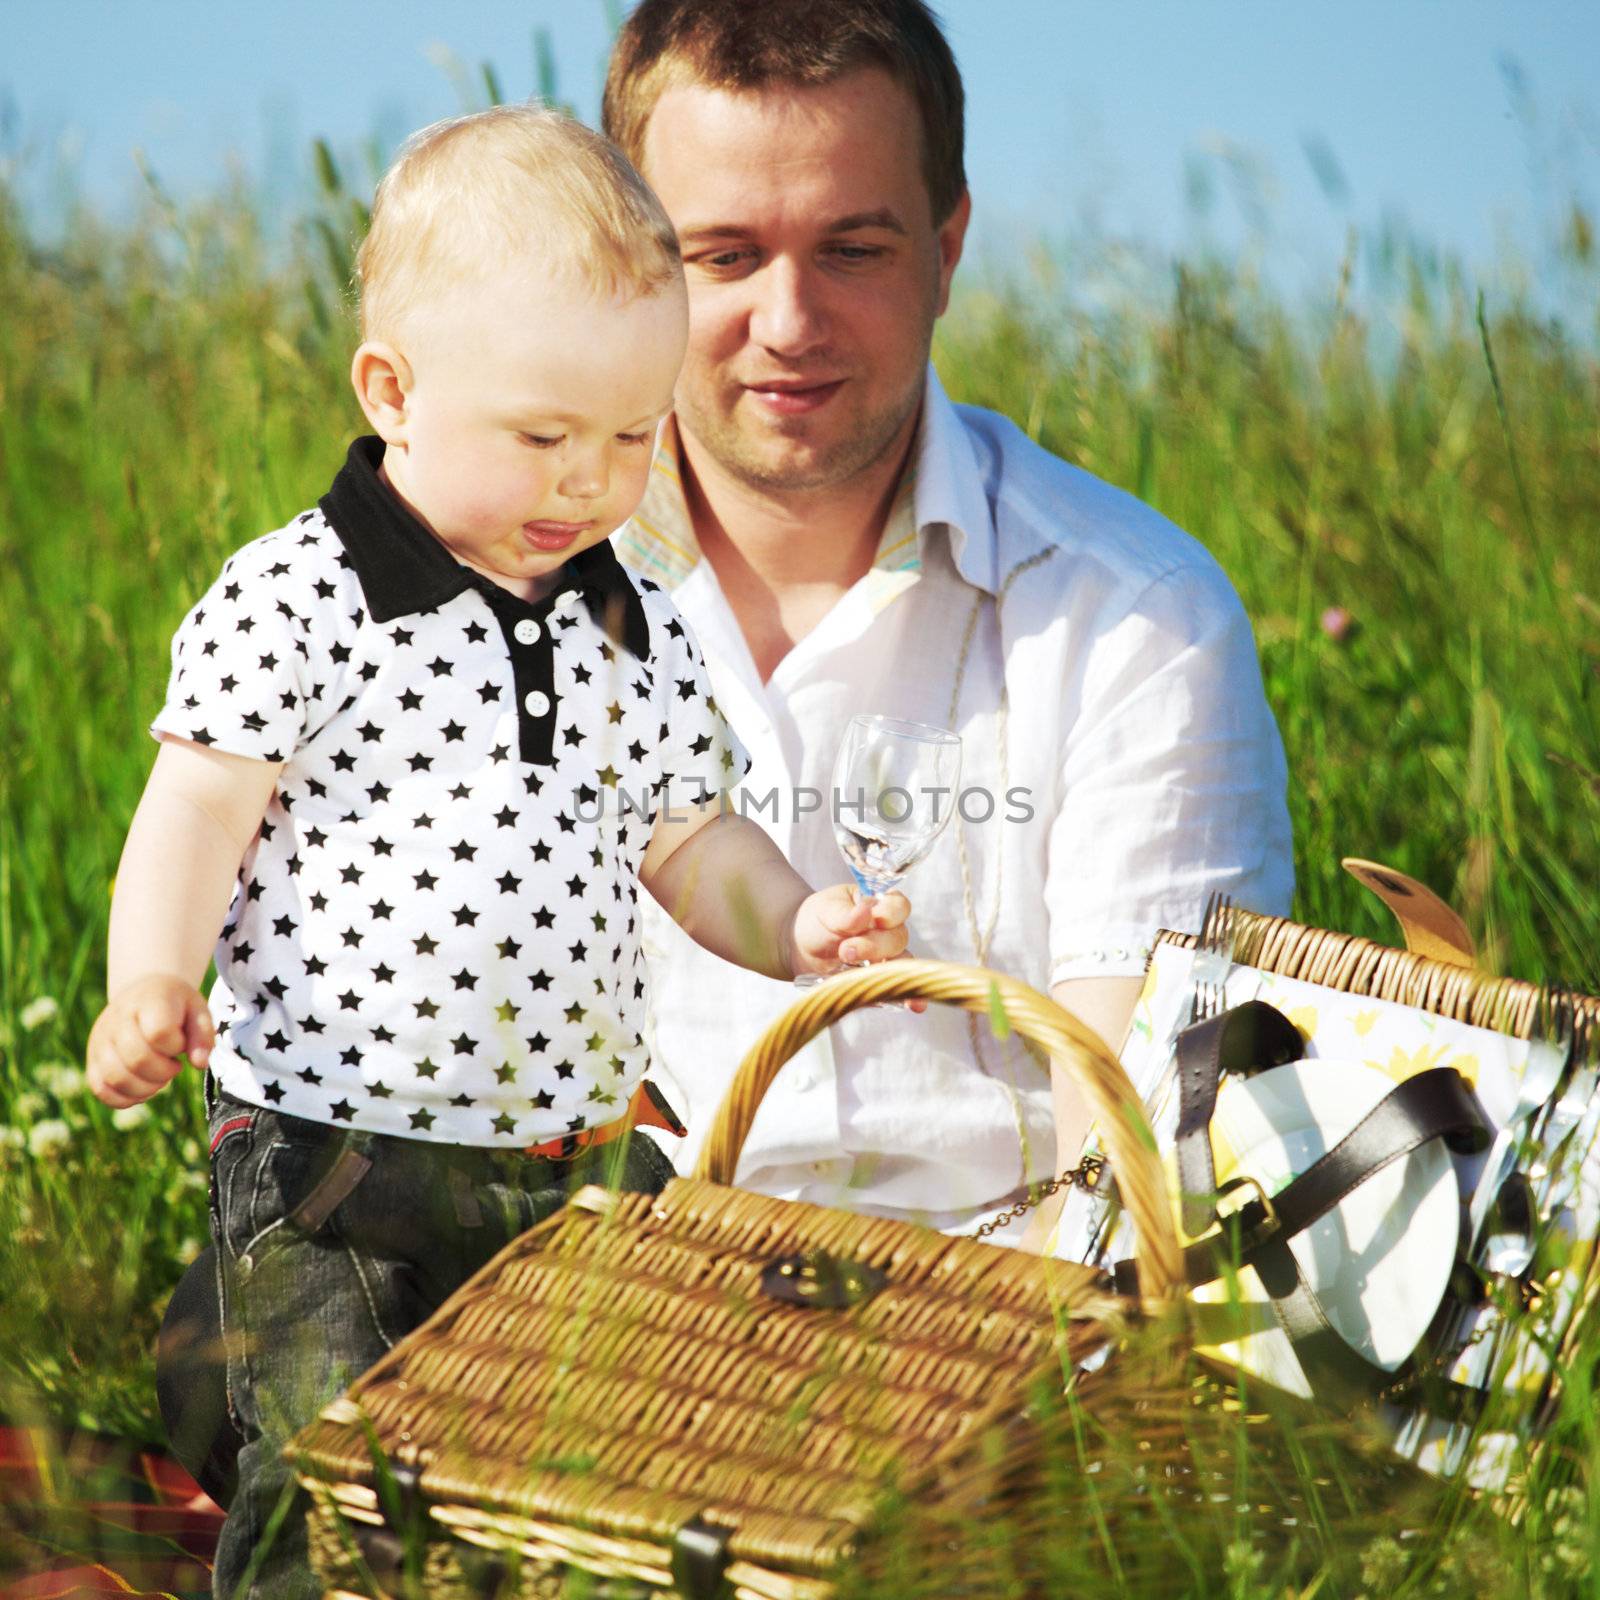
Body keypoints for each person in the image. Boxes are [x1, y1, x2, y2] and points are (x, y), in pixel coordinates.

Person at [85, 105, 910, 1600]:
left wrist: (792, 925)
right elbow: (199, 805)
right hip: (331, 1154)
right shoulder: (301, 598)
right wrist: (150, 977)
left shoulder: (634, 619)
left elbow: (691, 835)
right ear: (394, 392)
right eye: (543, 436)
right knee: (335, 1452)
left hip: (568, 1157)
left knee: (671, 1397)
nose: (589, 481)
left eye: (630, 437)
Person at [600, 0, 1294, 1241]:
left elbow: (1135, 1165)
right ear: (631, 270)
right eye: (722, 255)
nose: (789, 322)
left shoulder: (1138, 621)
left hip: (1005, 1354)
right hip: (593, 1325)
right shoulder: (491, 603)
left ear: (945, 249)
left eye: (852, 249)